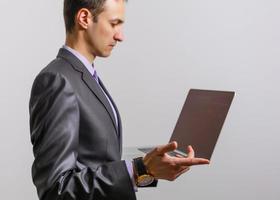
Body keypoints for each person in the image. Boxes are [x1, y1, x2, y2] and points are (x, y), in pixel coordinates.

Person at [29, 0, 210, 199]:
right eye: (114, 24)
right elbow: (56, 189)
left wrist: (149, 168)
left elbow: (96, 160)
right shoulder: (57, 80)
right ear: (84, 18)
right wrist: (137, 169)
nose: (120, 36)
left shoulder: (86, 77)